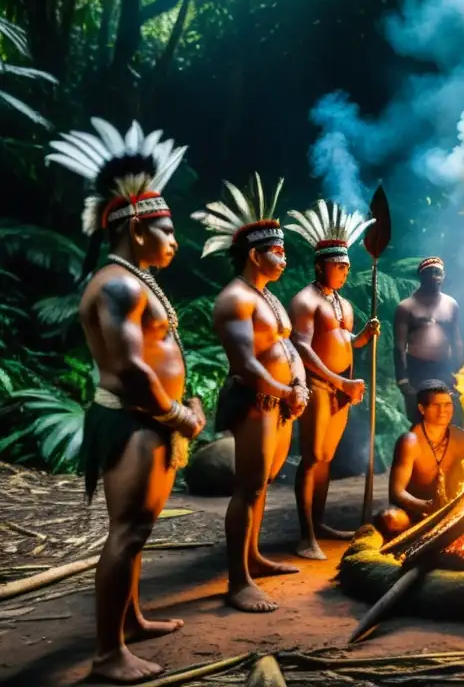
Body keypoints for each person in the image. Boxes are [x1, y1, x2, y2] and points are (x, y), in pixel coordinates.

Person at [46, 118, 205, 683]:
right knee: (129, 532)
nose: (174, 240)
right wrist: (177, 413)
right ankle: (108, 654)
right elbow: (132, 369)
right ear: (138, 230)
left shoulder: (130, 279)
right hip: (135, 423)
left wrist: (177, 411)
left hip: (150, 421)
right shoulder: (117, 284)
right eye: (167, 231)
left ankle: (131, 620)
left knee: (136, 529)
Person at [192, 174, 311, 614]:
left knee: (262, 486)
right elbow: (246, 363)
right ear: (254, 254)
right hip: (256, 403)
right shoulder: (234, 299)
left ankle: (255, 558)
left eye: (283, 250)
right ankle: (237, 580)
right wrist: (284, 390)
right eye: (276, 251)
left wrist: (298, 385)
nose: (283, 258)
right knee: (248, 487)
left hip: (279, 402)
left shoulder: (270, 299)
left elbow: (289, 348)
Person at [283, 199, 379, 560]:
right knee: (311, 458)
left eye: (347, 266)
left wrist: (363, 339)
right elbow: (303, 348)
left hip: (341, 386)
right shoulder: (305, 301)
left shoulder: (345, 304)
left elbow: (344, 344)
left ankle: (319, 523)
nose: (344, 272)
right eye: (339, 266)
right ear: (321, 266)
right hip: (319, 385)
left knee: (326, 459)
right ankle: (305, 535)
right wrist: (339, 384)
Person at [375, 380, 464, 537]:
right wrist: (426, 506)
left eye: (447, 404)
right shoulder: (410, 441)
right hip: (415, 513)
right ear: (421, 409)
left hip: (452, 511)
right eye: (436, 405)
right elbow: (397, 492)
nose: (443, 411)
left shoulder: (461, 438)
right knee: (391, 519)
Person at [394, 256, 464, 424]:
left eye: (438, 272)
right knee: (420, 417)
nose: (435, 276)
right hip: (417, 369)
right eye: (430, 272)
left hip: (444, 368)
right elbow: (399, 346)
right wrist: (403, 380)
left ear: (444, 276)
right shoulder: (406, 307)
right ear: (421, 276)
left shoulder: (451, 304)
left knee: (447, 417)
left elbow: (456, 341)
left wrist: (460, 372)